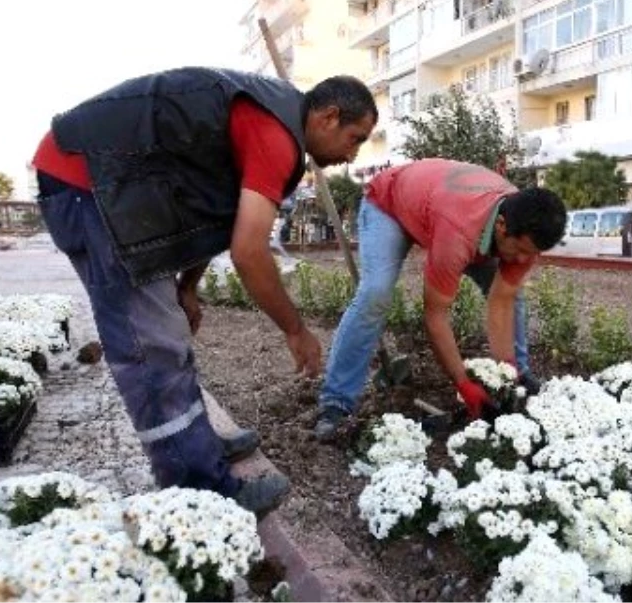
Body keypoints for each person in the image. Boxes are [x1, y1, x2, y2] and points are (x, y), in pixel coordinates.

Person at [32, 67, 377, 514]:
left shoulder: (274, 117)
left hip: (111, 184)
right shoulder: (276, 135)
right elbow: (249, 252)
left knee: (169, 329)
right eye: (356, 138)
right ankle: (198, 489)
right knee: (150, 347)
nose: (352, 156)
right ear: (329, 117)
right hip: (89, 182)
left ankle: (198, 443)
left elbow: (211, 213)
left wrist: (189, 287)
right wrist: (296, 330)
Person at [314, 159, 567, 441]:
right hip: (390, 206)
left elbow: (501, 302)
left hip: (441, 205)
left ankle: (519, 378)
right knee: (376, 293)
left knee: (514, 297)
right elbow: (435, 316)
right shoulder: (458, 232)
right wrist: (462, 383)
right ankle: (336, 401)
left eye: (530, 254)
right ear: (502, 226)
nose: (523, 260)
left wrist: (505, 373)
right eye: (520, 250)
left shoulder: (526, 232)